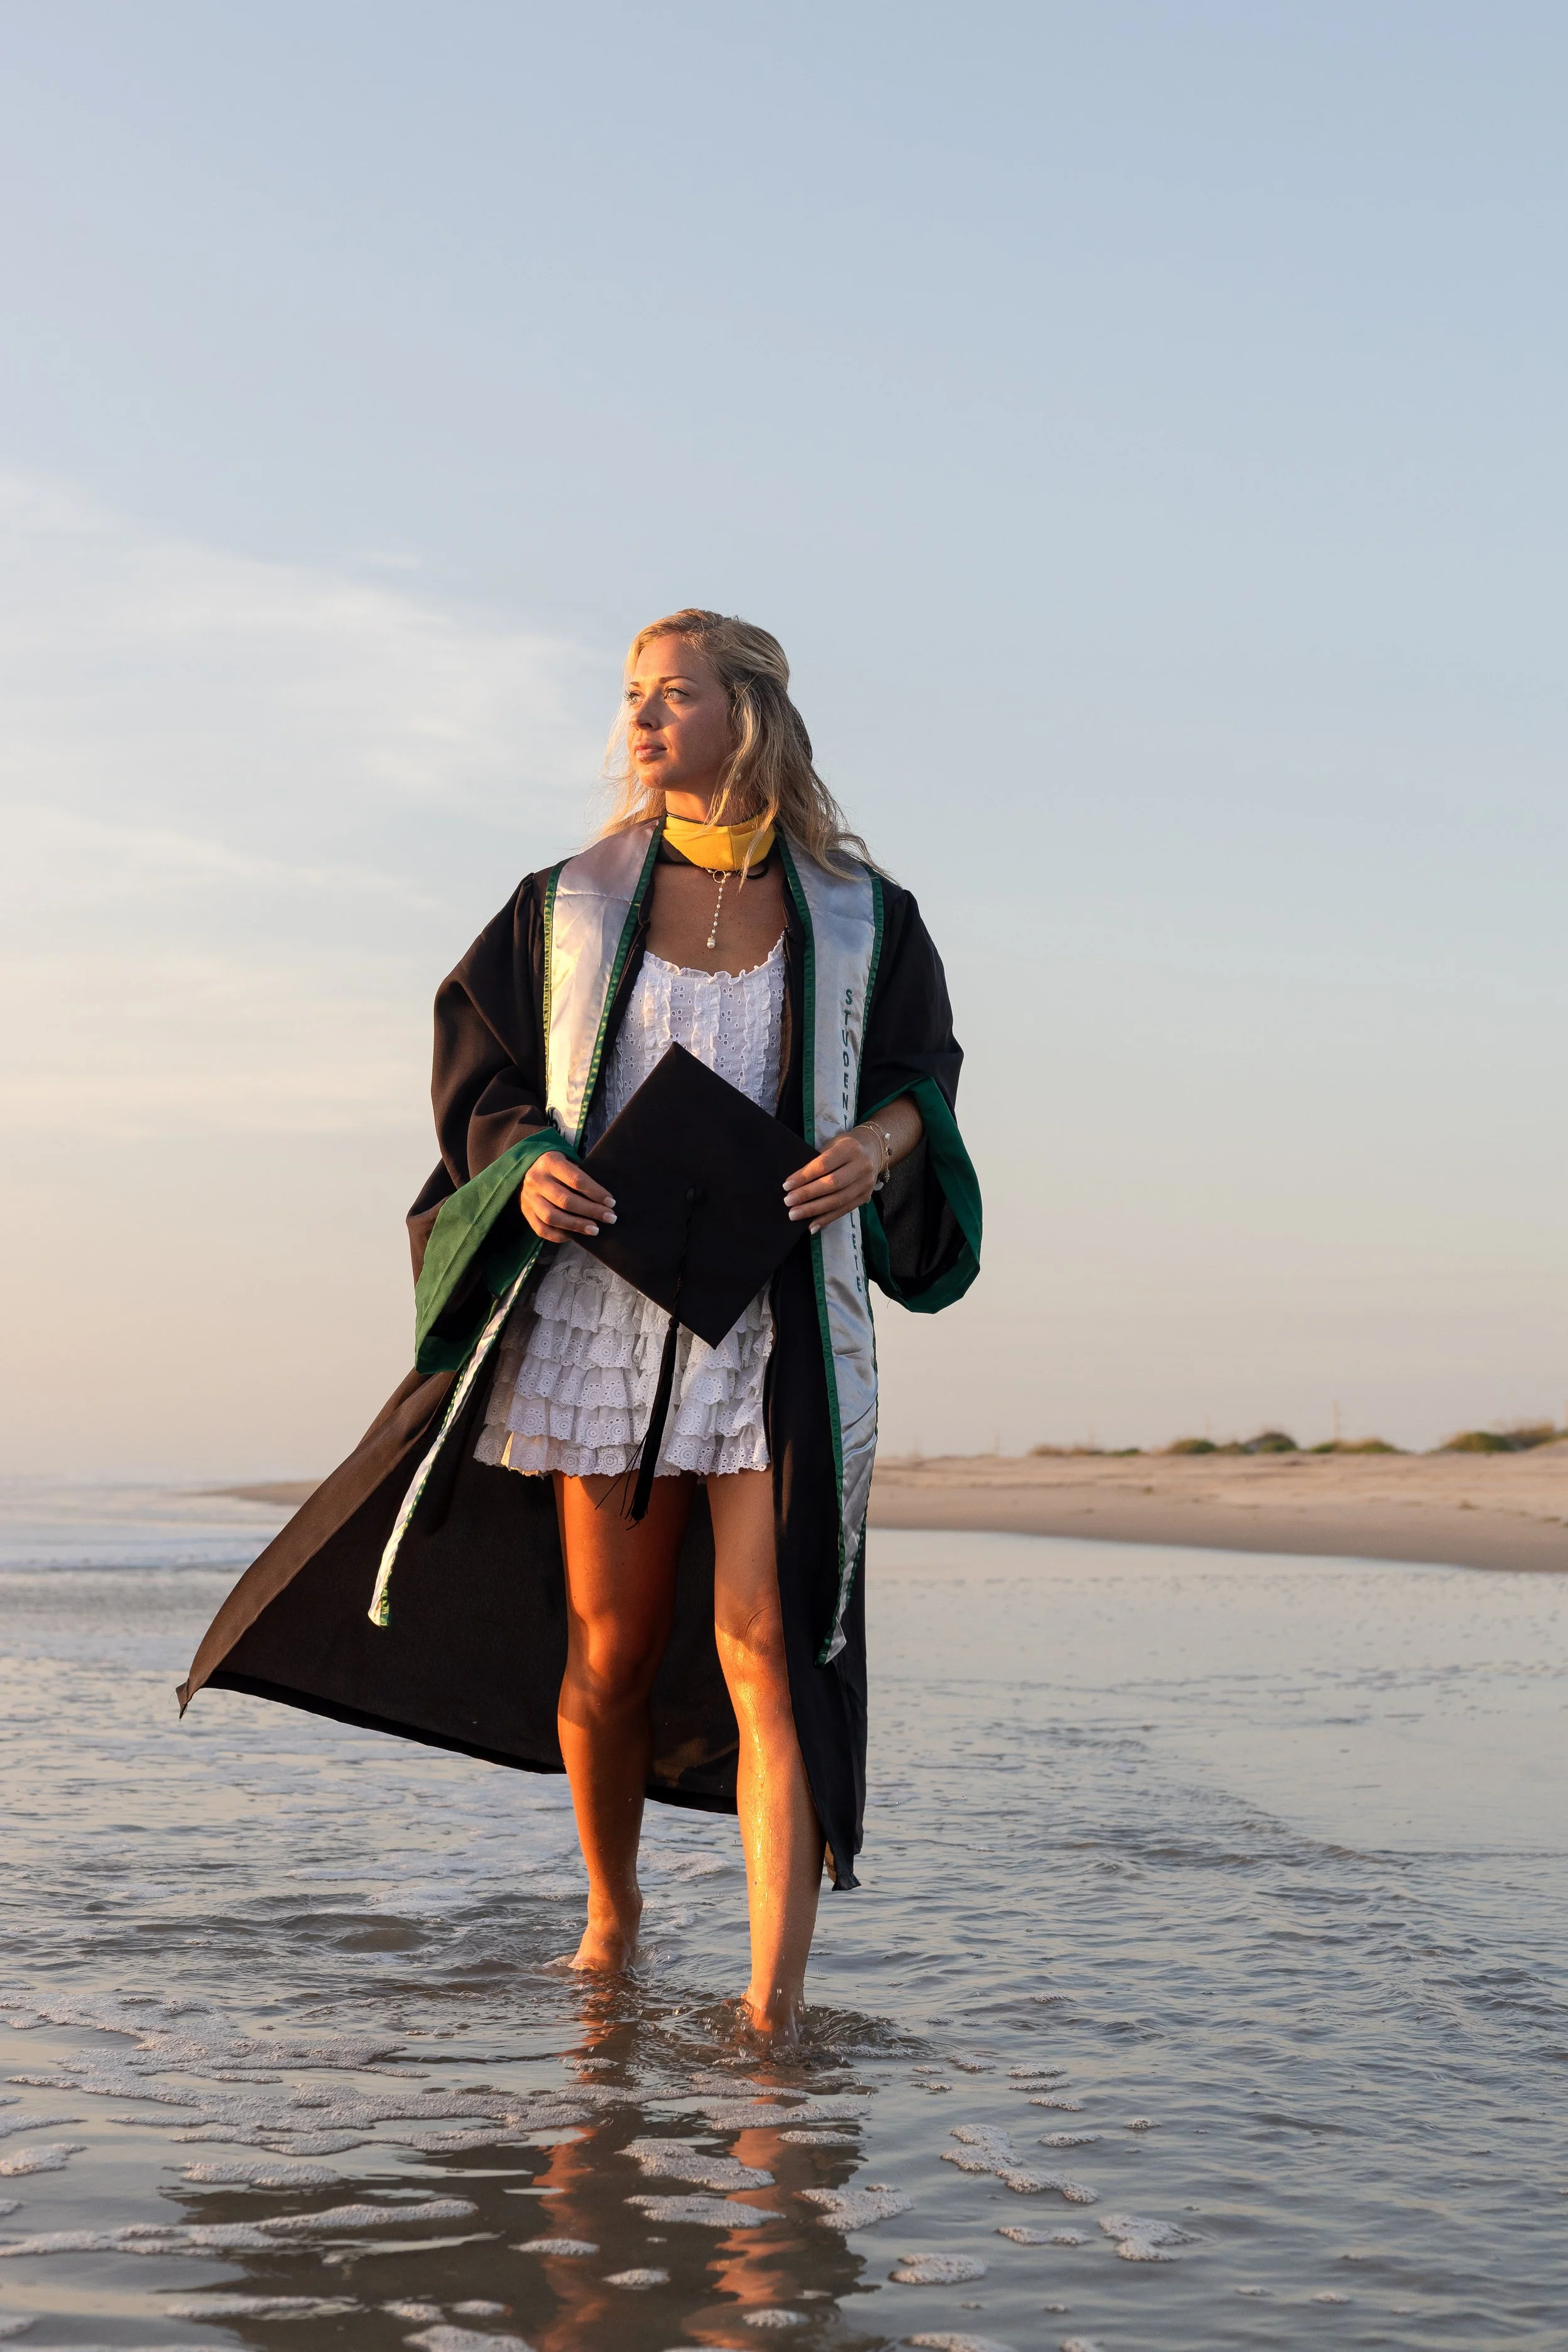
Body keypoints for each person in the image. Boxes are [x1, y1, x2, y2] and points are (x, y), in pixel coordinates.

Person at [178, 608, 980, 2040]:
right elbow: (485, 1081)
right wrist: (525, 1161)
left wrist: (876, 1146)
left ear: (750, 711)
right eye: (631, 698)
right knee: (605, 1656)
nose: (641, 721)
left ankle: (769, 2007)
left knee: (766, 1648)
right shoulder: (567, 904)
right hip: (600, 1320)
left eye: (672, 695)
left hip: (773, 1324)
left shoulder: (860, 914)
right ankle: (611, 1915)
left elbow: (924, 1080)